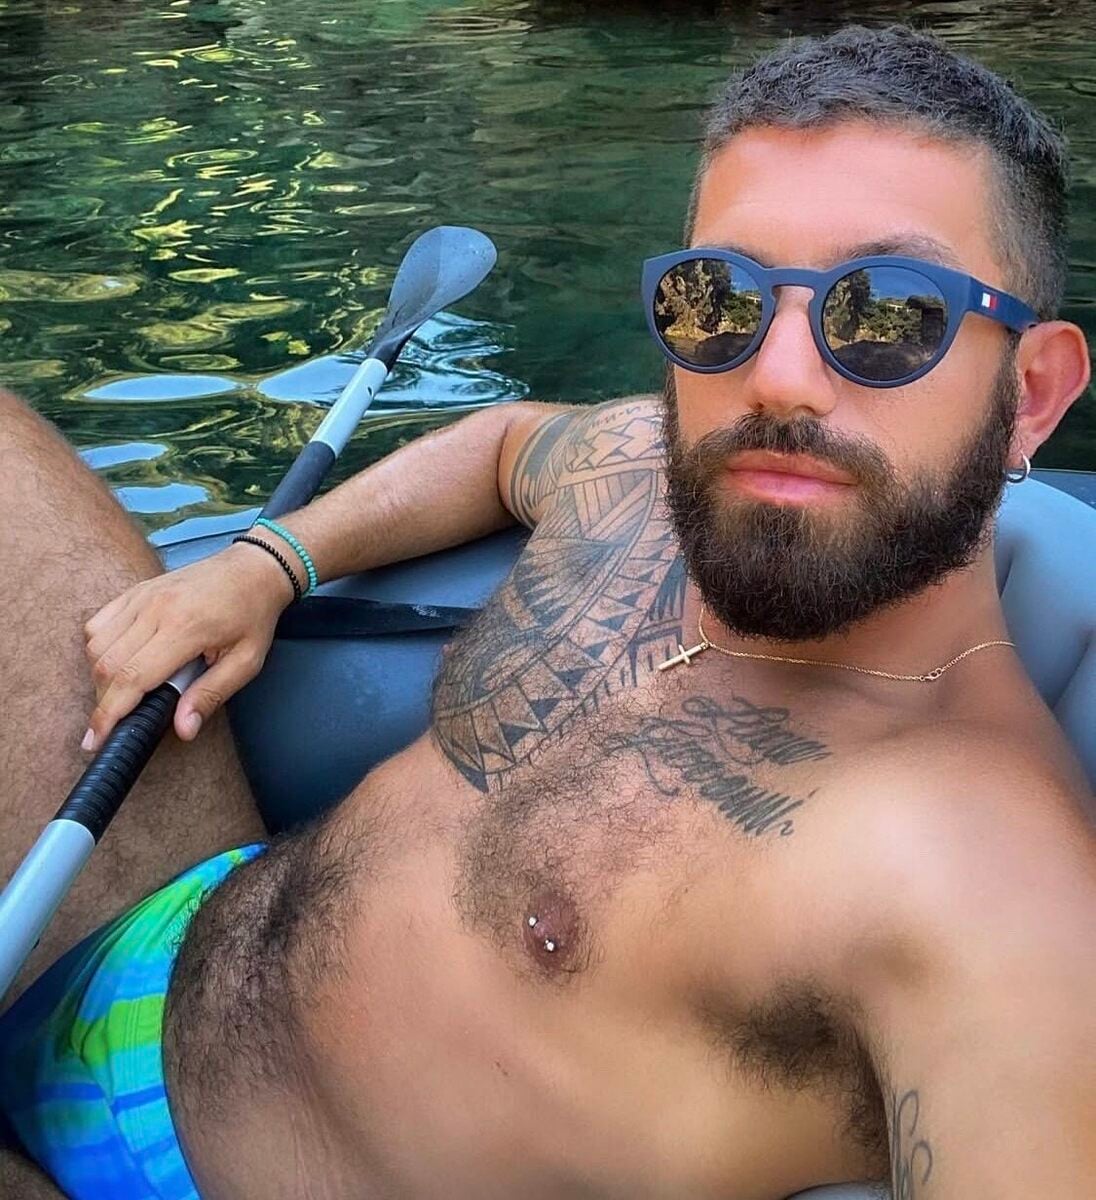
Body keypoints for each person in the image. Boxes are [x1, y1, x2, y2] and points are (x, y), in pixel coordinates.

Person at [1, 23, 1094, 1200]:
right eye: (717, 300)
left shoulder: (981, 892)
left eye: (890, 311)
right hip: (163, 927)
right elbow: (504, 442)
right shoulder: (642, 481)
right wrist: (264, 565)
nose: (777, 376)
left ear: (1032, 392)